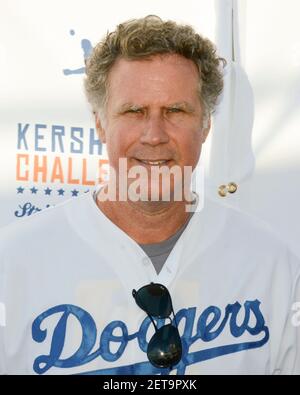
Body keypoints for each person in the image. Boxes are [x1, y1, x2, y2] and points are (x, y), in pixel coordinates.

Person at [0, 15, 299, 375]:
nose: (154, 135)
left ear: (205, 124)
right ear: (99, 123)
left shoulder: (270, 262)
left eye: (175, 110)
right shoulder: (13, 264)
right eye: (134, 111)